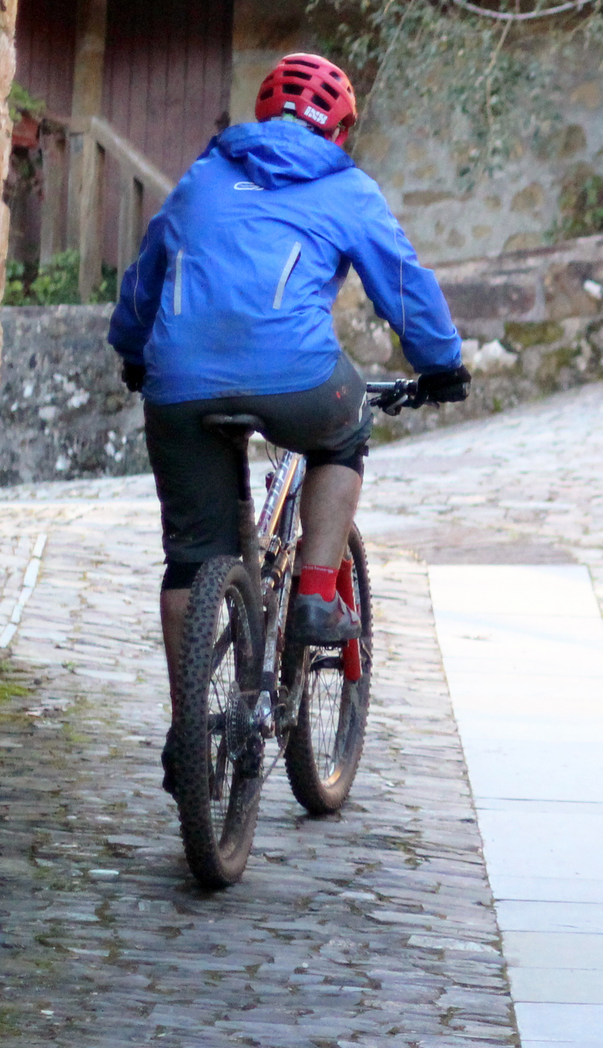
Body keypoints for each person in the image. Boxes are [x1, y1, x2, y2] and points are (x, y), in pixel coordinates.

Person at [109, 53, 468, 779]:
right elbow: (403, 282)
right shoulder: (347, 186)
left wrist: (133, 349)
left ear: (263, 109)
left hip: (179, 382)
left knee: (191, 557)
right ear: (341, 128)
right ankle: (312, 596)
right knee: (346, 432)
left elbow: (148, 270)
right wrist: (441, 364)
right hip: (297, 379)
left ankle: (189, 732)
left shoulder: (203, 178)